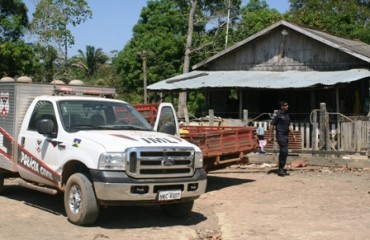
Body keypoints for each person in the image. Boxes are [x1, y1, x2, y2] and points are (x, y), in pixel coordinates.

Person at [268, 101, 296, 177]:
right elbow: (272, 125)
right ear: (282, 106)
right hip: (280, 135)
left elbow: (288, 126)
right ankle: (280, 169)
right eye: (286, 105)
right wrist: (270, 136)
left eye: (287, 105)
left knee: (285, 152)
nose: (287, 106)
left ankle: (281, 168)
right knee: (284, 151)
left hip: (286, 135)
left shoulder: (286, 115)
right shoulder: (277, 114)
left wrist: (293, 135)